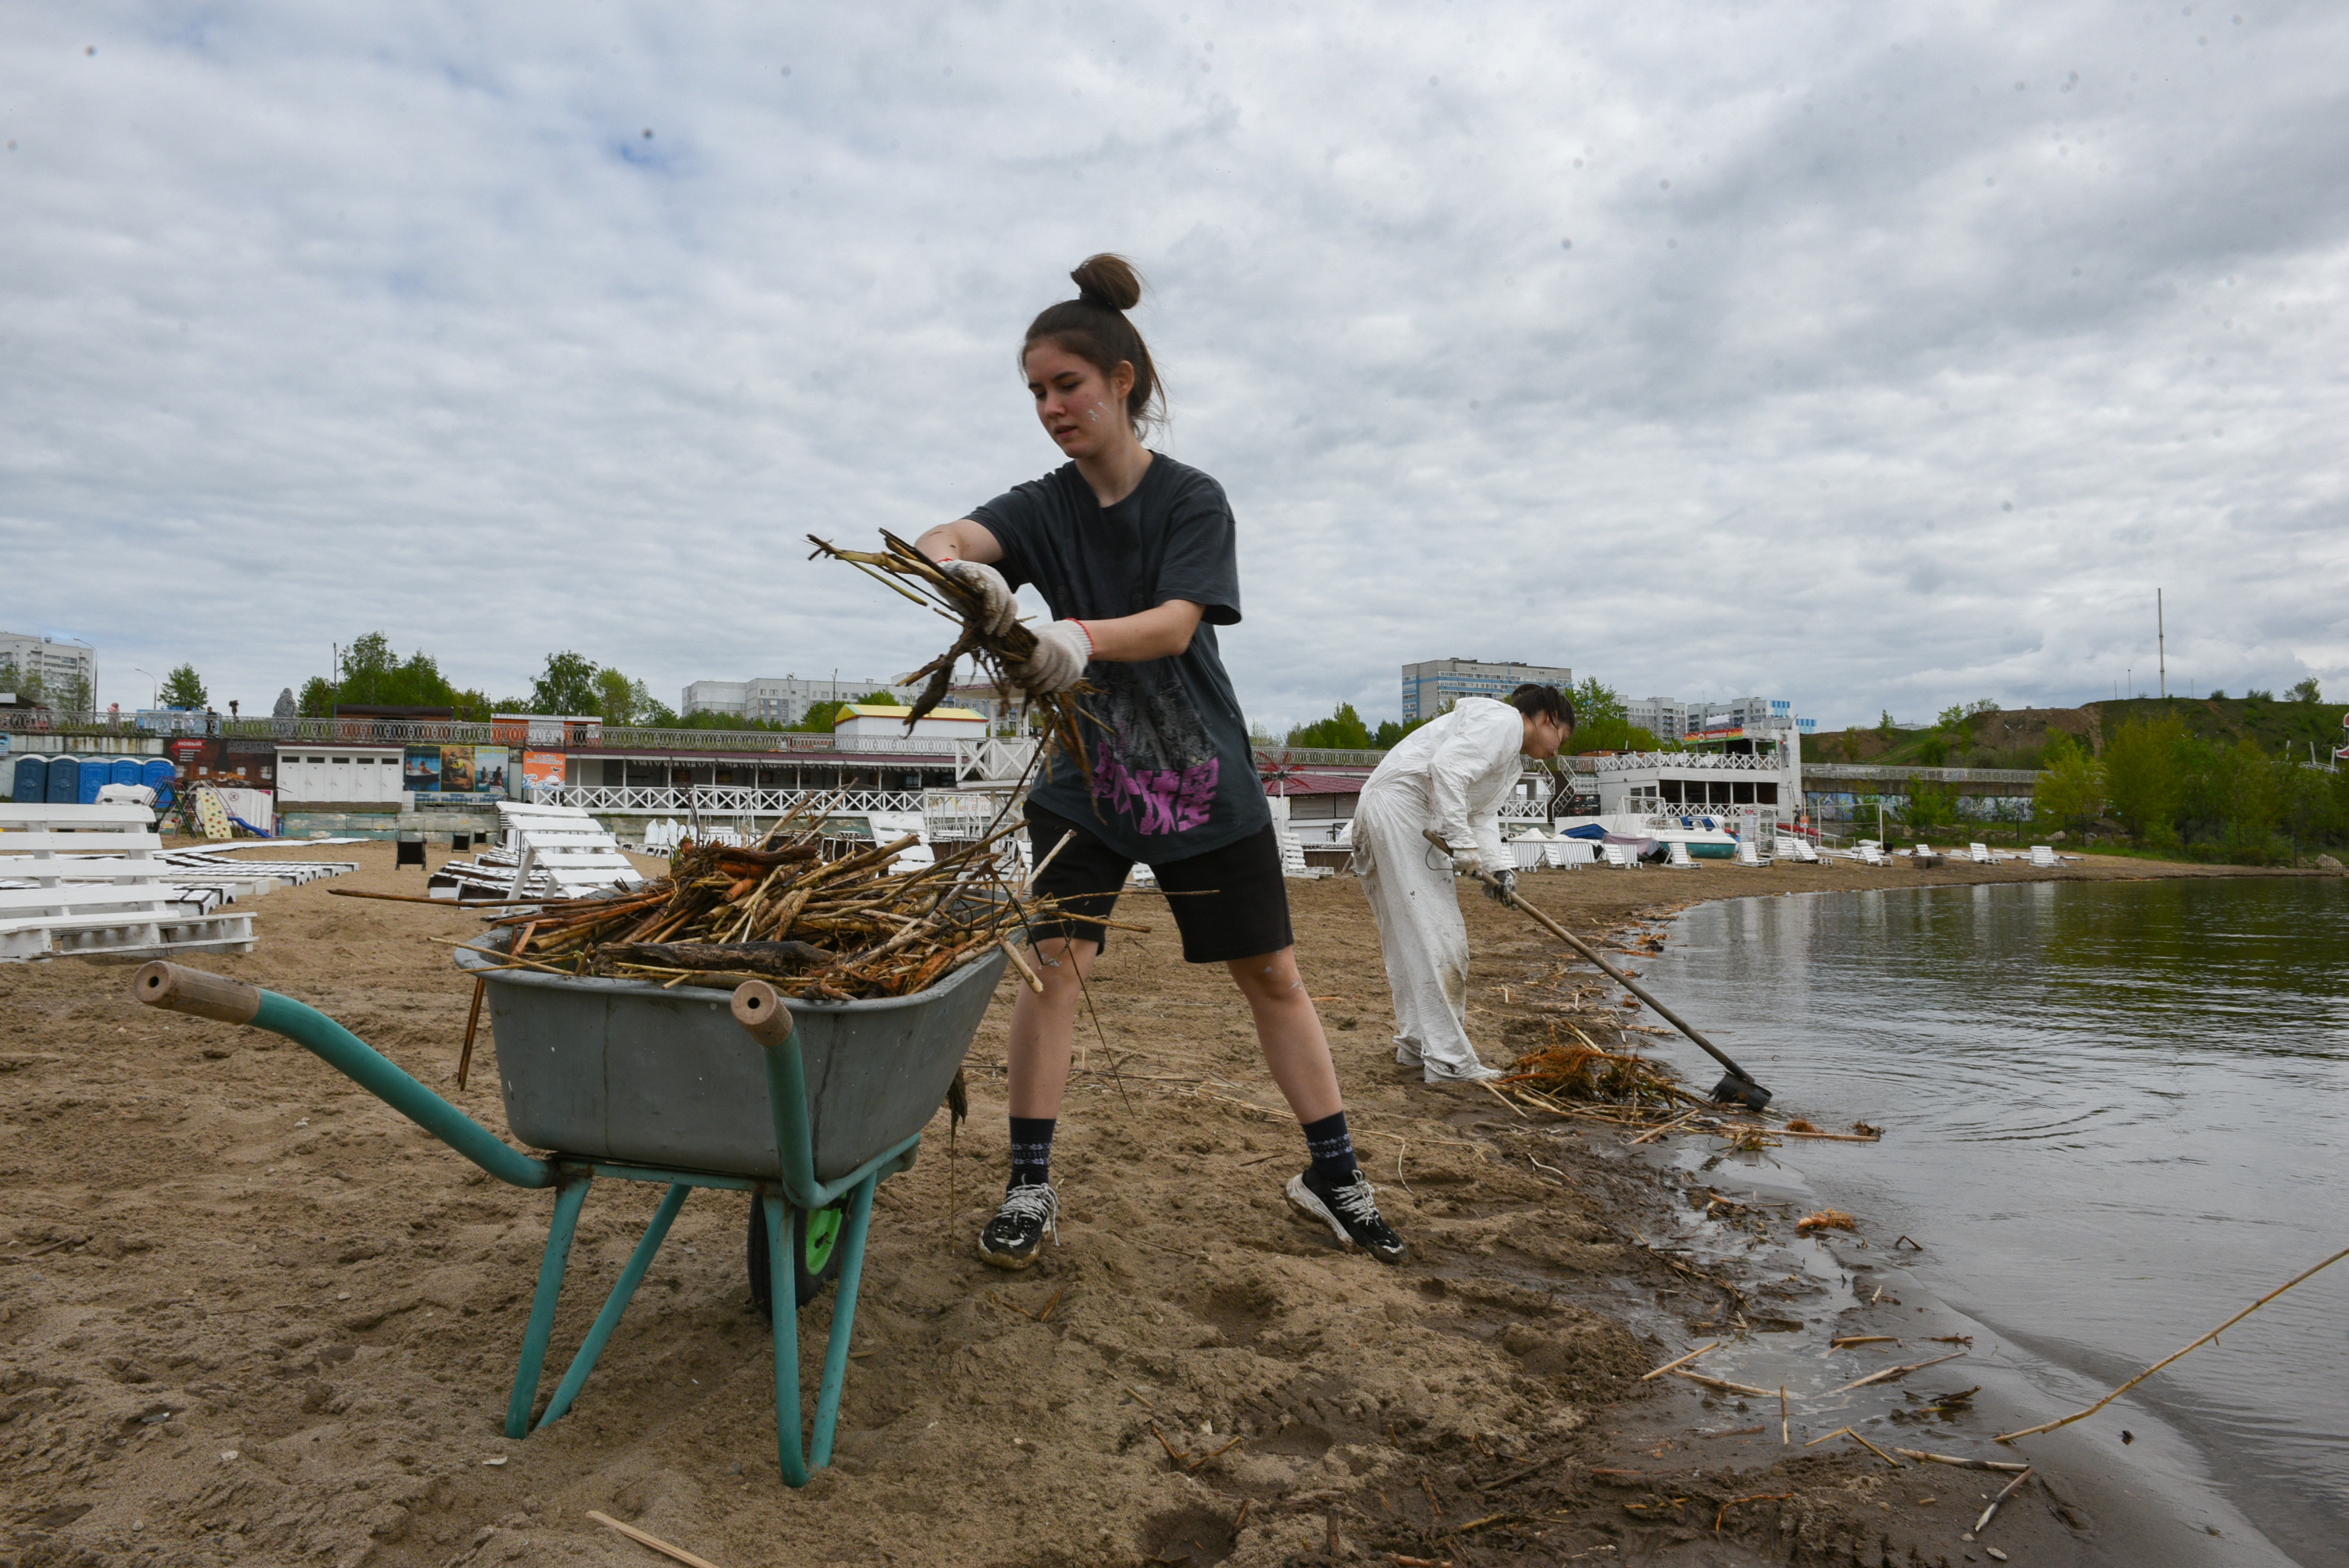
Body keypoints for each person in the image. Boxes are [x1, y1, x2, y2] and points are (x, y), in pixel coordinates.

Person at [915, 254, 1406, 1270]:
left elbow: (1180, 623)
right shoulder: (1045, 506)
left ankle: (1333, 1172)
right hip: (1084, 783)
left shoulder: (1193, 500)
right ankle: (1029, 1186)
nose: (1051, 407)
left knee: (1271, 972)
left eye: (1068, 385)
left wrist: (1078, 640)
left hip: (1197, 776)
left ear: (1122, 382)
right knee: (1056, 971)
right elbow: (954, 532)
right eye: (1036, 392)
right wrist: (959, 569)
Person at [1350, 685, 1575, 1082]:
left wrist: (1498, 869)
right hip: (1403, 811)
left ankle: (1418, 1046)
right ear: (1547, 719)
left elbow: (1482, 815)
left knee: (1408, 938)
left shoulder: (1510, 762)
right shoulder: (1503, 721)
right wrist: (1461, 844)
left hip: (1390, 811)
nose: (1560, 749)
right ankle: (1450, 1061)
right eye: (1563, 736)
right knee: (1441, 938)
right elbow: (1446, 770)